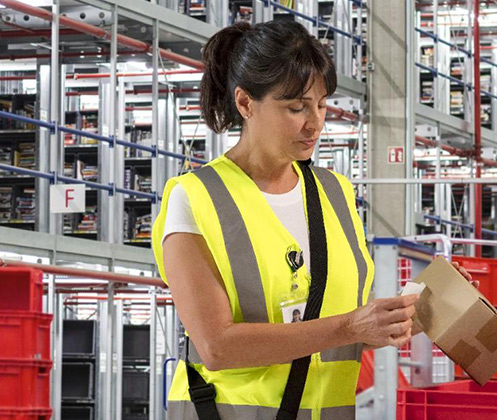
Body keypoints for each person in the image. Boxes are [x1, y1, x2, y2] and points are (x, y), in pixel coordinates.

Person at [151, 20, 472, 420]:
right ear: (246, 103)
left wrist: (408, 315)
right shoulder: (196, 198)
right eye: (296, 107)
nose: (315, 122)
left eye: (321, 104)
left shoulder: (335, 194)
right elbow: (217, 346)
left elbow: (337, 330)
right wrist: (351, 327)